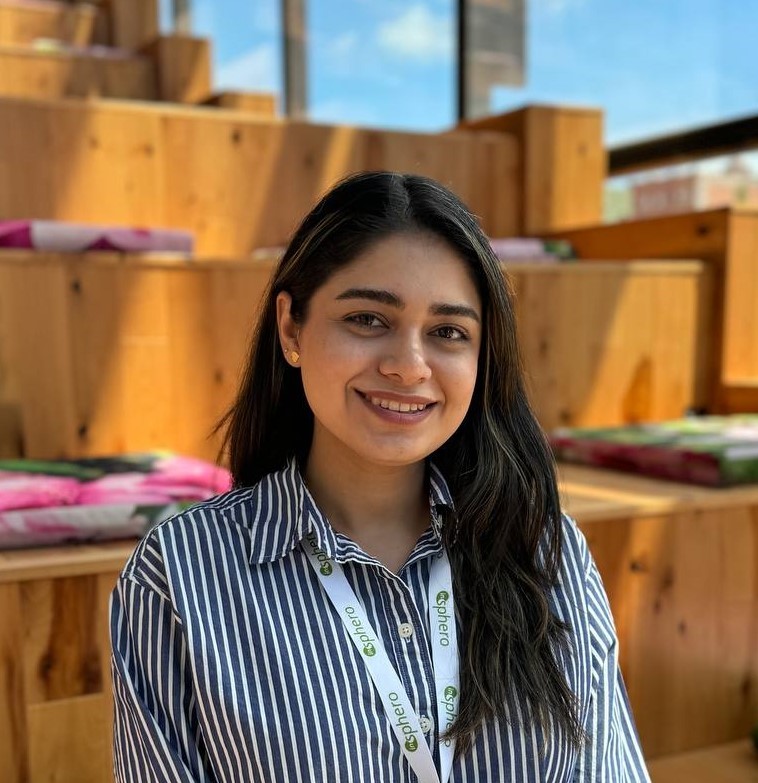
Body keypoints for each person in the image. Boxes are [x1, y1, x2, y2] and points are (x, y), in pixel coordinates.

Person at [110, 171, 650, 782]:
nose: (408, 367)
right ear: (291, 328)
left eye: (448, 332)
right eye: (368, 319)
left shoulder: (547, 551)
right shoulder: (179, 575)